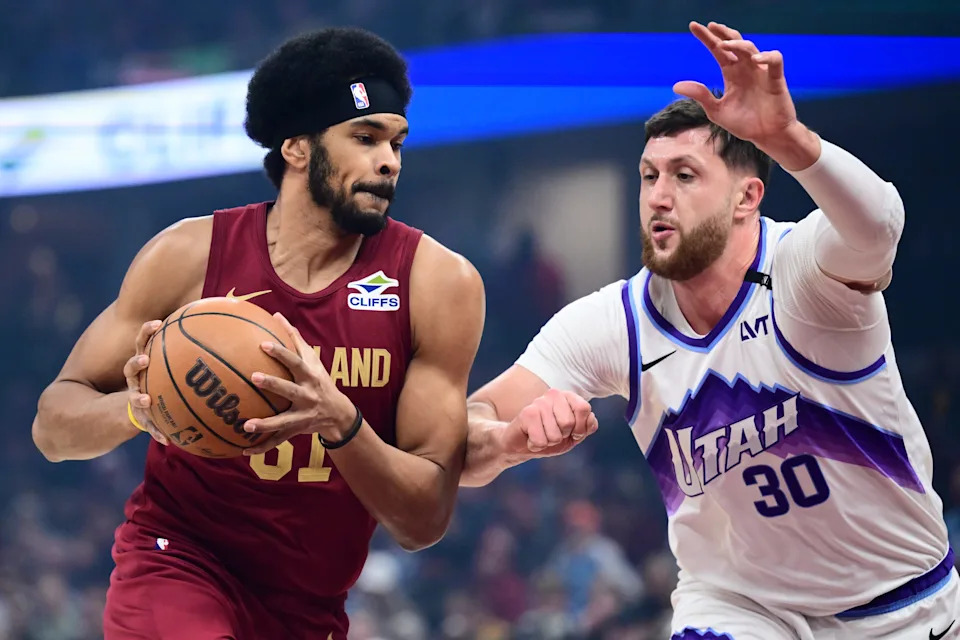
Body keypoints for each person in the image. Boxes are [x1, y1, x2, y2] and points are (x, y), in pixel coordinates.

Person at [460, 21, 958, 639]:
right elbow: (460, 439)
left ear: (747, 197)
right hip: (738, 606)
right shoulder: (612, 322)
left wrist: (787, 138)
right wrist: (509, 439)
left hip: (898, 603)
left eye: (685, 175)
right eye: (650, 176)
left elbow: (881, 226)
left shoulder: (802, 270)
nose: (659, 197)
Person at [32, 27, 485, 639]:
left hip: (309, 604)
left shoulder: (439, 283)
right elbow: (53, 428)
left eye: (397, 142)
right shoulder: (188, 255)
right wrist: (140, 413)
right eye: (365, 137)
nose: (389, 160)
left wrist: (341, 422)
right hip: (177, 561)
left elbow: (423, 519)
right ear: (297, 148)